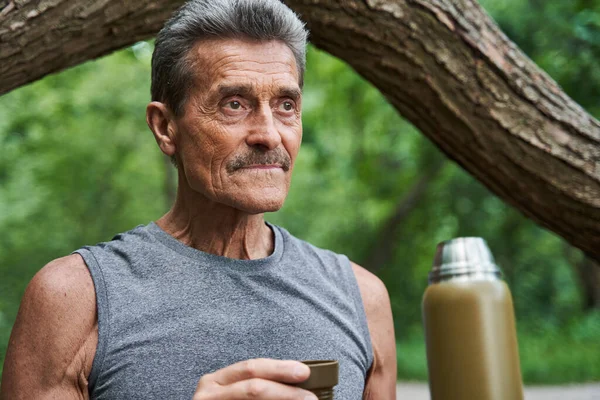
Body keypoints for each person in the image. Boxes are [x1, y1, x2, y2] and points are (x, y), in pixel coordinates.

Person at [1, 0, 397, 398]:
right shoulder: (74, 299)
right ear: (165, 127)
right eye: (235, 105)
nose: (270, 135)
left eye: (286, 105)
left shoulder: (362, 299)